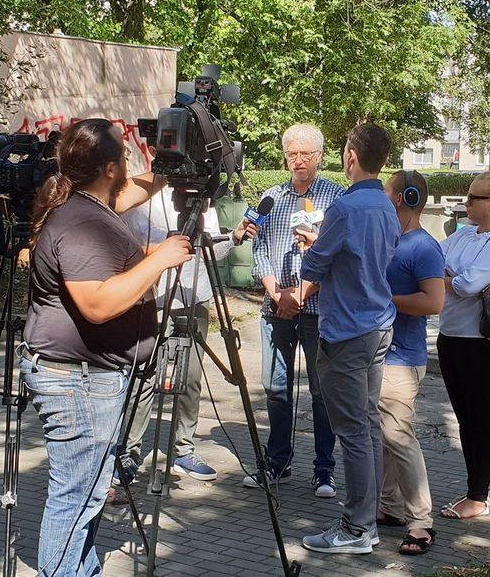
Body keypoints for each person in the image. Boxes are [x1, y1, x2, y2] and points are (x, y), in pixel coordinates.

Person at [19, 118, 192, 576]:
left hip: (86, 377)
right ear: (109, 168)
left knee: (87, 492)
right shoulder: (80, 222)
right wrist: (160, 260)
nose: (131, 161)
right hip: (77, 380)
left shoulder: (88, 203)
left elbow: (138, 189)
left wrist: (174, 164)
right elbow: (96, 304)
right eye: (125, 156)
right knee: (75, 496)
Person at [297, 123, 401, 554]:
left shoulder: (345, 207)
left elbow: (313, 267)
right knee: (367, 428)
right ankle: (365, 520)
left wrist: (312, 247)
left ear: (351, 157)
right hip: (377, 325)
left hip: (348, 331)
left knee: (355, 431)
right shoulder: (386, 205)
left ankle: (358, 528)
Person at [241, 123, 345, 497]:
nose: (298, 161)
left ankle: (324, 470)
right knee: (275, 388)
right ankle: (277, 462)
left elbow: (335, 253)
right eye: (292, 154)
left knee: (321, 392)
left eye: (306, 154)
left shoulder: (336, 197)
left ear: (319, 156)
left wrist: (300, 294)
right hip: (276, 308)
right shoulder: (271, 197)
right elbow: (259, 249)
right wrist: (276, 293)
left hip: (317, 309)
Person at [119, 186, 237, 482]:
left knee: (191, 378)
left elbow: (212, 250)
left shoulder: (202, 197)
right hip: (155, 297)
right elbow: (127, 248)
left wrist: (233, 238)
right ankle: (129, 452)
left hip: (196, 296)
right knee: (144, 375)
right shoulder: (142, 194)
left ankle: (184, 450)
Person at [437, 170, 490, 521]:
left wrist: (444, 278)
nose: (466, 203)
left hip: (482, 341)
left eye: (472, 198)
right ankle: (472, 488)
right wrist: (447, 278)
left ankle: (479, 495)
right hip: (451, 335)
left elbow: (468, 284)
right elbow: (433, 260)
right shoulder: (465, 235)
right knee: (463, 418)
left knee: (481, 416)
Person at [376, 170, 445, 555]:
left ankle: (422, 522)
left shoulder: (423, 247)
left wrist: (383, 299)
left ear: (402, 197)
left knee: (400, 437)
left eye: (387, 192)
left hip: (402, 359)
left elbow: (433, 302)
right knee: (387, 437)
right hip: (383, 355)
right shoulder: (392, 241)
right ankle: (389, 509)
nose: (383, 198)